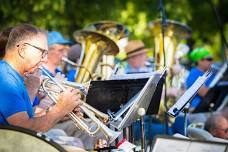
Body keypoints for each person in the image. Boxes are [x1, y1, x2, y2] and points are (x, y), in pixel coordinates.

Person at [0, 24, 82, 132]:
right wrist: (59, 110)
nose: (45, 60)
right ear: (22, 50)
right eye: (42, 52)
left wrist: (59, 111)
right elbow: (22, 131)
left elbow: (29, 119)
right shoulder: (5, 79)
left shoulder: (12, 76)